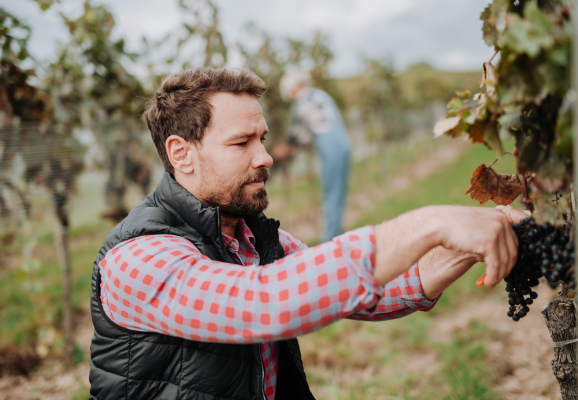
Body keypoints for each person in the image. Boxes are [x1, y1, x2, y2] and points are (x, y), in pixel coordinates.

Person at [89, 68, 524, 400]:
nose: (265, 157)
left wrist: (466, 242)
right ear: (181, 154)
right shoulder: (138, 258)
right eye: (242, 144)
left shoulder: (249, 236)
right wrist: (429, 222)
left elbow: (380, 292)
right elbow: (266, 303)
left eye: (263, 139)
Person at [274, 70, 351, 242]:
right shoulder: (321, 96)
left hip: (331, 152)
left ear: (292, 89)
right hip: (343, 146)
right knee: (337, 194)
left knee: (331, 195)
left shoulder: (302, 102)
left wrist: (287, 149)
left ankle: (330, 241)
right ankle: (338, 235)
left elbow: (298, 134)